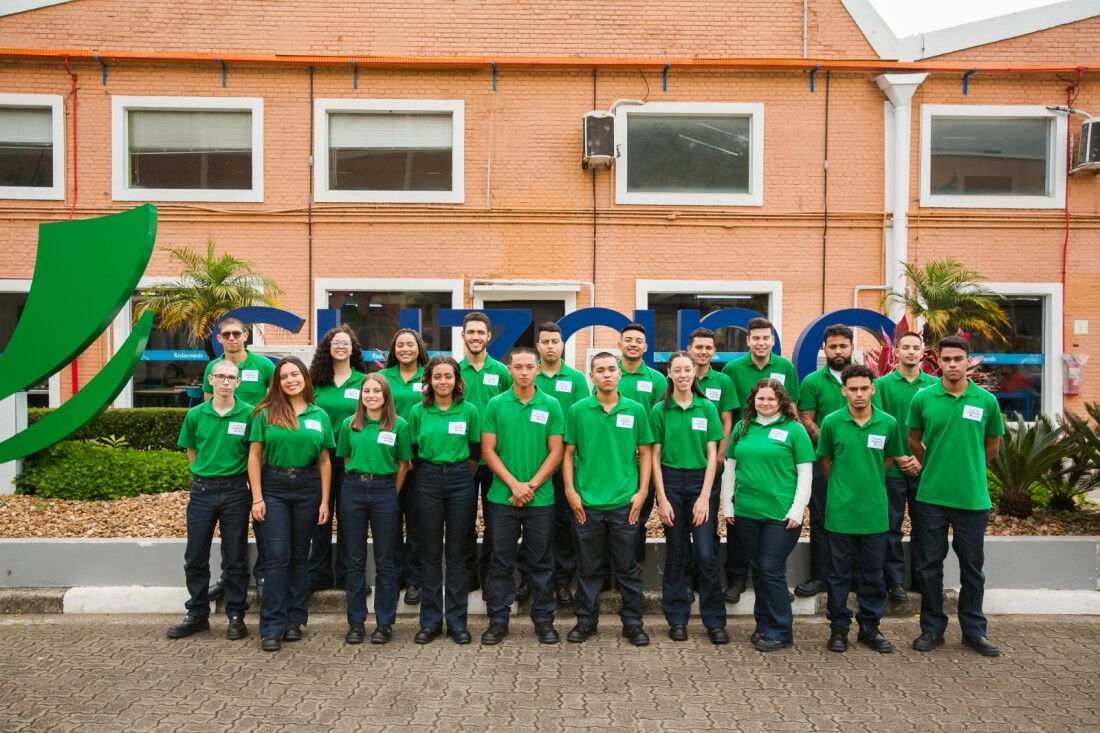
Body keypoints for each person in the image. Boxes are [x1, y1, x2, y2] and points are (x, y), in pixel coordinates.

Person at [907, 335, 1004, 657]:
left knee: (972, 568)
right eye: (946, 359)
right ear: (937, 362)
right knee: (929, 566)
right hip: (931, 496)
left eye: (957, 359)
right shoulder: (923, 398)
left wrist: (969, 468)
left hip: (972, 499)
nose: (952, 365)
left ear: (967, 361)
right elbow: (914, 439)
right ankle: (932, 629)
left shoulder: (985, 401)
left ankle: (974, 632)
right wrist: (933, 464)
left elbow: (992, 446)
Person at [563, 352, 654, 647]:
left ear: (619, 374)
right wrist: (570, 491)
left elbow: (646, 452)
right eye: (600, 370)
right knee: (589, 569)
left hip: (624, 504)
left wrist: (642, 491)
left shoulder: (636, 410)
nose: (607, 374)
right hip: (587, 505)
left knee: (627, 568)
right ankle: (586, 621)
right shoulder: (578, 410)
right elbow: (568, 453)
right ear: (591, 376)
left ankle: (633, 623)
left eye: (611, 369)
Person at [816, 364, 905, 654]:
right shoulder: (831, 422)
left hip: (874, 512)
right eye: (853, 389)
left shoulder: (888, 423)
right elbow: (825, 461)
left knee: (872, 574)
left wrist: (868, 481)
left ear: (872, 389)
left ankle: (869, 627)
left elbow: (888, 461)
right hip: (840, 512)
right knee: (838, 574)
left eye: (864, 388)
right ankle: (839, 627)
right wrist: (842, 488)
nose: (859, 394)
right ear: (844, 391)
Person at [248, 357, 334, 652]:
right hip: (274, 486)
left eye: (295, 374)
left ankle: (295, 619)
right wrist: (257, 498)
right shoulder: (264, 413)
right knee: (277, 557)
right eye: (284, 376)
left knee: (299, 556)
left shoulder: (319, 414)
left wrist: (325, 501)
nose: (290, 380)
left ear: (305, 378)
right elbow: (254, 457)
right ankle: (272, 626)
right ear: (278, 382)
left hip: (309, 487)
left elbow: (325, 461)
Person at [480, 346, 566, 645]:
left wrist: (530, 486)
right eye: (518, 367)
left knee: (540, 562)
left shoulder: (552, 405)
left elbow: (556, 451)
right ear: (509, 369)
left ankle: (543, 621)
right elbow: (488, 451)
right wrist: (514, 485)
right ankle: (498, 620)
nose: (524, 372)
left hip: (540, 499)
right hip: (501, 498)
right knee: (500, 562)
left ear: (538, 369)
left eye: (530, 367)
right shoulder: (495, 404)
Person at [721, 379, 814, 652]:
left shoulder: (794, 429)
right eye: (760, 398)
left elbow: (805, 473)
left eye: (771, 399)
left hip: (781, 515)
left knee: (771, 570)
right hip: (747, 512)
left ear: (781, 401)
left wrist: (798, 508)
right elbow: (730, 467)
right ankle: (763, 625)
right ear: (753, 400)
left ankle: (781, 631)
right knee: (760, 571)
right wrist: (727, 505)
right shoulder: (742, 427)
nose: (765, 403)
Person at [168, 359, 254, 641]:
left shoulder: (249, 414)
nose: (226, 381)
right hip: (202, 491)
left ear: (238, 382)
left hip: (236, 491)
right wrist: (204, 473)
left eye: (231, 377)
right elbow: (191, 450)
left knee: (235, 557)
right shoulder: (195, 415)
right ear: (211, 380)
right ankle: (197, 613)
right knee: (195, 556)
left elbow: (255, 455)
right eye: (221, 376)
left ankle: (236, 615)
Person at [650, 351, 728, 644]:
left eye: (688, 370)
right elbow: (654, 456)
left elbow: (712, 454)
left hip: (700, 482)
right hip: (670, 483)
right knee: (676, 554)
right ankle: (677, 620)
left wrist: (705, 496)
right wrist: (662, 498)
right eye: (677, 370)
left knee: (706, 555)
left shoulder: (706, 407)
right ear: (669, 374)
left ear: (694, 373)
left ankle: (715, 622)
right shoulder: (659, 410)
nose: (683, 375)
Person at [720, 317, 799, 603]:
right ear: (748, 341)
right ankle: (737, 578)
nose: (761, 343)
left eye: (766, 338)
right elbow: (728, 411)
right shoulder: (732, 369)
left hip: (775, 448)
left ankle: (773, 580)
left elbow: (793, 408)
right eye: (756, 338)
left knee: (774, 524)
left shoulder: (786, 367)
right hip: (744, 445)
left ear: (773, 340)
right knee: (739, 517)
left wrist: (792, 443)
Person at [408, 355, 482, 645]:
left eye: (448, 376)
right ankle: (429, 622)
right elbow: (413, 452)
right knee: (429, 553)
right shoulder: (418, 411)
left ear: (457, 380)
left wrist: (458, 475)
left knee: (456, 554)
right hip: (426, 479)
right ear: (428, 380)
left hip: (460, 480)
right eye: (437, 376)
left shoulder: (469, 410)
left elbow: (475, 454)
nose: (442, 381)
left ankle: (456, 622)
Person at [203, 317, 276, 604]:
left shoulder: (264, 366)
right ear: (219, 339)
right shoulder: (214, 368)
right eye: (226, 334)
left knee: (263, 517)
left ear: (246, 335)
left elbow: (278, 399)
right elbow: (207, 409)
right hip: (227, 459)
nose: (232, 338)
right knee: (230, 524)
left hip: (259, 453)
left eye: (236, 333)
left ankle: (263, 574)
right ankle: (229, 575)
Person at [336, 373, 411, 645]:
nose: (371, 395)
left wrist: (391, 491)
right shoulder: (349, 424)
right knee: (355, 560)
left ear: (386, 395)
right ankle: (356, 622)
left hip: (385, 490)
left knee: (385, 561)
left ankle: (384, 623)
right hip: (353, 489)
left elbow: (403, 464)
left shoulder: (399, 425)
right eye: (366, 391)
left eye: (376, 391)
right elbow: (346, 459)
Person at [871, 331, 937, 602]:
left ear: (923, 352)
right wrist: (900, 456)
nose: (911, 352)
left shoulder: (935, 386)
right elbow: (880, 424)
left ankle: (923, 580)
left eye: (915, 347)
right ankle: (894, 582)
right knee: (891, 527)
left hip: (925, 468)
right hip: (892, 469)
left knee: (926, 527)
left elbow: (936, 427)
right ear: (896, 352)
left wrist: (921, 458)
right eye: (905, 347)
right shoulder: (882, 385)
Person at [307, 325, 367, 594]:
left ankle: (347, 576)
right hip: (320, 456)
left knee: (348, 518)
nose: (341, 346)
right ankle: (317, 575)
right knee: (319, 517)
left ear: (353, 349)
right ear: (327, 348)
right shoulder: (314, 381)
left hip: (350, 456)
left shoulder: (364, 382)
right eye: (336, 342)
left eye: (346, 343)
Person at [795, 323, 853, 597]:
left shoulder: (865, 380)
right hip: (823, 461)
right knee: (820, 519)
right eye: (833, 346)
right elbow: (806, 419)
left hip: (857, 463)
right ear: (824, 349)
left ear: (852, 347)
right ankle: (820, 576)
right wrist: (832, 447)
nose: (838, 351)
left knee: (854, 518)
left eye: (843, 346)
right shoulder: (812, 381)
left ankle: (852, 577)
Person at [534, 321, 589, 606]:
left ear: (562, 345)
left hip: (568, 464)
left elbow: (582, 420)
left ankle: (564, 580)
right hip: (534, 466)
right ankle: (531, 578)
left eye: (555, 341)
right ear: (538, 346)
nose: (550, 346)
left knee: (567, 523)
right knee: (537, 524)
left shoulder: (576, 379)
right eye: (545, 341)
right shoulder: (529, 374)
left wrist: (566, 457)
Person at [458, 312, 512, 593]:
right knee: (464, 518)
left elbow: (510, 408)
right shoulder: (454, 371)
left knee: (495, 519)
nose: (476, 337)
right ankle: (468, 572)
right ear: (463, 336)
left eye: (481, 332)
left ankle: (491, 571)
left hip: (495, 456)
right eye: (471, 332)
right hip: (463, 454)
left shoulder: (501, 372)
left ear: (489, 336)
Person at [686, 327, 740, 604]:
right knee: (681, 527)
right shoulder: (680, 376)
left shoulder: (723, 381)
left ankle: (705, 578)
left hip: (710, 465)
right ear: (689, 349)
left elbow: (727, 420)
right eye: (699, 347)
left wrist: (721, 453)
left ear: (714, 352)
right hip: (681, 463)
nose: (703, 352)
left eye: (708, 348)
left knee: (707, 522)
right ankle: (685, 580)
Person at [609, 323, 667, 570]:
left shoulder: (657, 379)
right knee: (610, 516)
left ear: (645, 347)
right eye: (628, 339)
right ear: (619, 344)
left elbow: (661, 421)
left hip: (645, 461)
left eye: (638, 341)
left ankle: (633, 573)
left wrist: (647, 450)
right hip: (614, 461)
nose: (633, 344)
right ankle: (610, 573)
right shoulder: (609, 373)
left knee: (638, 518)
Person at [379, 327, 430, 606]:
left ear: (419, 347)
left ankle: (414, 580)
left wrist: (411, 455)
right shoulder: (383, 377)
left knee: (416, 519)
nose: (405, 349)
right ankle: (394, 576)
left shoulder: (429, 376)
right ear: (393, 349)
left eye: (410, 344)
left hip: (419, 457)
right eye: (400, 345)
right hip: (387, 454)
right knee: (390, 517)